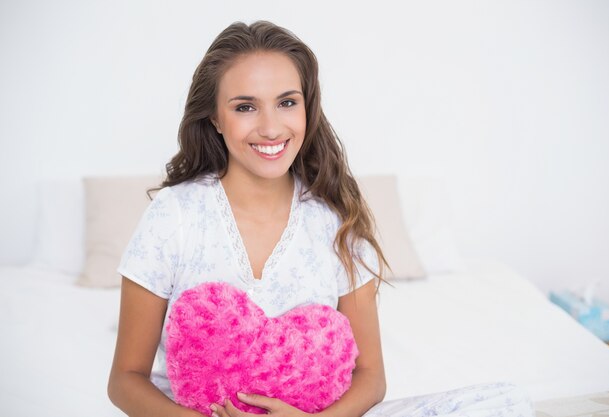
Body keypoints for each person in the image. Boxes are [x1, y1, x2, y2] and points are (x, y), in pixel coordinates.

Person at [108, 20, 535, 417]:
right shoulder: (175, 216)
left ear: (307, 108)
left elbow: (371, 377)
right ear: (215, 118)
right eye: (245, 108)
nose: (271, 128)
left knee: (504, 404)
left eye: (287, 103)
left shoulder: (336, 221)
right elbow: (125, 380)